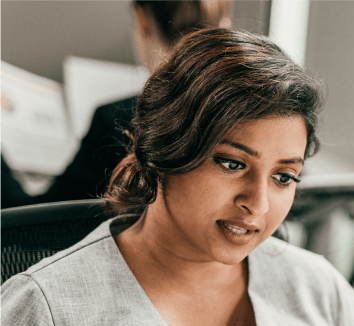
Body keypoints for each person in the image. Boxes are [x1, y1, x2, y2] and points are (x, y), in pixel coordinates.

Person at [0, 28, 354, 326]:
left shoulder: (320, 292)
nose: (258, 204)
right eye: (232, 164)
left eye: (284, 177)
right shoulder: (45, 313)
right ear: (164, 150)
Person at [0, 0, 232, 209]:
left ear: (141, 18)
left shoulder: (118, 120)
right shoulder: (240, 114)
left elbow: (34, 224)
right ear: (225, 23)